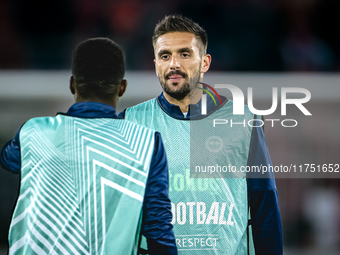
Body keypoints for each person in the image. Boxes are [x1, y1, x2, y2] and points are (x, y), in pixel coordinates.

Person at [0, 38, 177, 255]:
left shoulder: (33, 132)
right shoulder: (147, 143)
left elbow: (9, 161)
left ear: (72, 84)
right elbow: (158, 230)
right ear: (122, 88)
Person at [122, 15, 282, 254]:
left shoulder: (243, 120)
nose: (174, 64)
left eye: (185, 54)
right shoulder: (130, 122)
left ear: (205, 63)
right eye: (165, 56)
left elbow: (264, 208)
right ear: (155, 63)